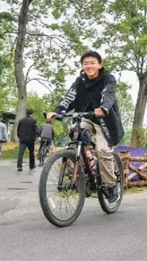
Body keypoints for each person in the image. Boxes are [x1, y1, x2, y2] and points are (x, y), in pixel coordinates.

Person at [54, 51, 124, 202]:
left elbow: (108, 94)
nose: (89, 66)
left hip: (104, 121)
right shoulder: (80, 80)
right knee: (74, 141)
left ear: (99, 65)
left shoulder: (108, 78)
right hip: (86, 117)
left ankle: (111, 185)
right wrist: (58, 111)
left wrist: (104, 108)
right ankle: (83, 176)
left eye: (92, 63)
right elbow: (70, 97)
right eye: (85, 63)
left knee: (103, 150)